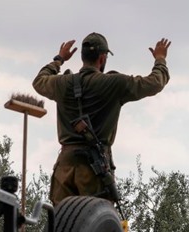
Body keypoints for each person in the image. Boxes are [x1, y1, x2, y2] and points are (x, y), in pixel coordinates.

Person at [33, 33, 171, 205]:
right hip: (94, 168)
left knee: (61, 219)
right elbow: (155, 83)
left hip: (65, 167)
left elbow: (39, 81)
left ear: (82, 57)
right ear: (102, 58)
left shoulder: (62, 84)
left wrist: (59, 59)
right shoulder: (114, 83)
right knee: (96, 219)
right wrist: (160, 59)